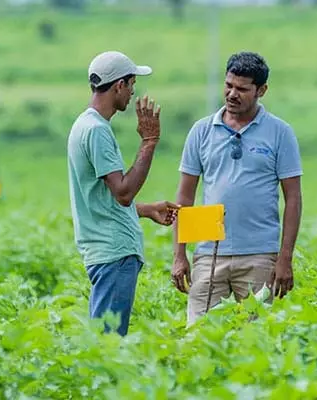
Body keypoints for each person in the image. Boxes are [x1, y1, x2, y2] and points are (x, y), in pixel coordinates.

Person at [172, 51, 303, 326]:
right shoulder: (201, 130)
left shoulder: (280, 132)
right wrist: (179, 254)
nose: (232, 94)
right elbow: (185, 196)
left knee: (255, 339)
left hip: (259, 255)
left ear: (261, 90)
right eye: (228, 85)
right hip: (210, 252)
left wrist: (285, 259)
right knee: (199, 335)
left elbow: (292, 198)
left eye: (242, 89)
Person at [67, 50, 180, 336]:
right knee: (109, 345)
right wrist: (150, 141)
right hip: (113, 252)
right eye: (131, 84)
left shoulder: (85, 124)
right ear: (119, 85)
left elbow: (102, 197)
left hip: (106, 251)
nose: (132, 92)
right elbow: (123, 192)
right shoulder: (96, 131)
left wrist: (146, 209)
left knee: (105, 339)